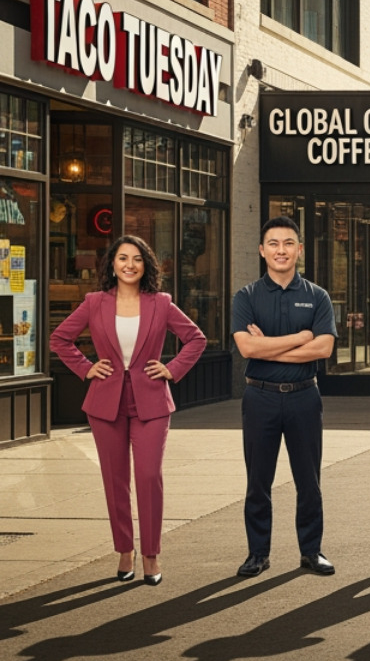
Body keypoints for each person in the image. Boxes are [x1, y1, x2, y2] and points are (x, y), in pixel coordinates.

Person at [50, 235, 206, 585]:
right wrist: (86, 367)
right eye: (123, 258)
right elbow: (60, 338)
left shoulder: (161, 303)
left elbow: (196, 339)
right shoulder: (94, 302)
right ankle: (125, 551)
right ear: (113, 264)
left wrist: (172, 368)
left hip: (151, 401)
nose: (129, 265)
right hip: (105, 403)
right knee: (115, 481)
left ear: (146, 265)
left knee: (149, 477)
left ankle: (151, 554)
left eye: (137, 259)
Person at [231, 215, 337, 578]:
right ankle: (257, 553)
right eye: (273, 244)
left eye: (288, 243)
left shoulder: (317, 296)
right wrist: (300, 337)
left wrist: (268, 347)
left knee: (309, 480)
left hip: (304, 398)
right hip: (259, 398)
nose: (281, 250)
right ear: (262, 250)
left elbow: (323, 348)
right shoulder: (246, 296)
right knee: (258, 480)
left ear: (299, 250)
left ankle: (312, 551)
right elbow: (246, 348)